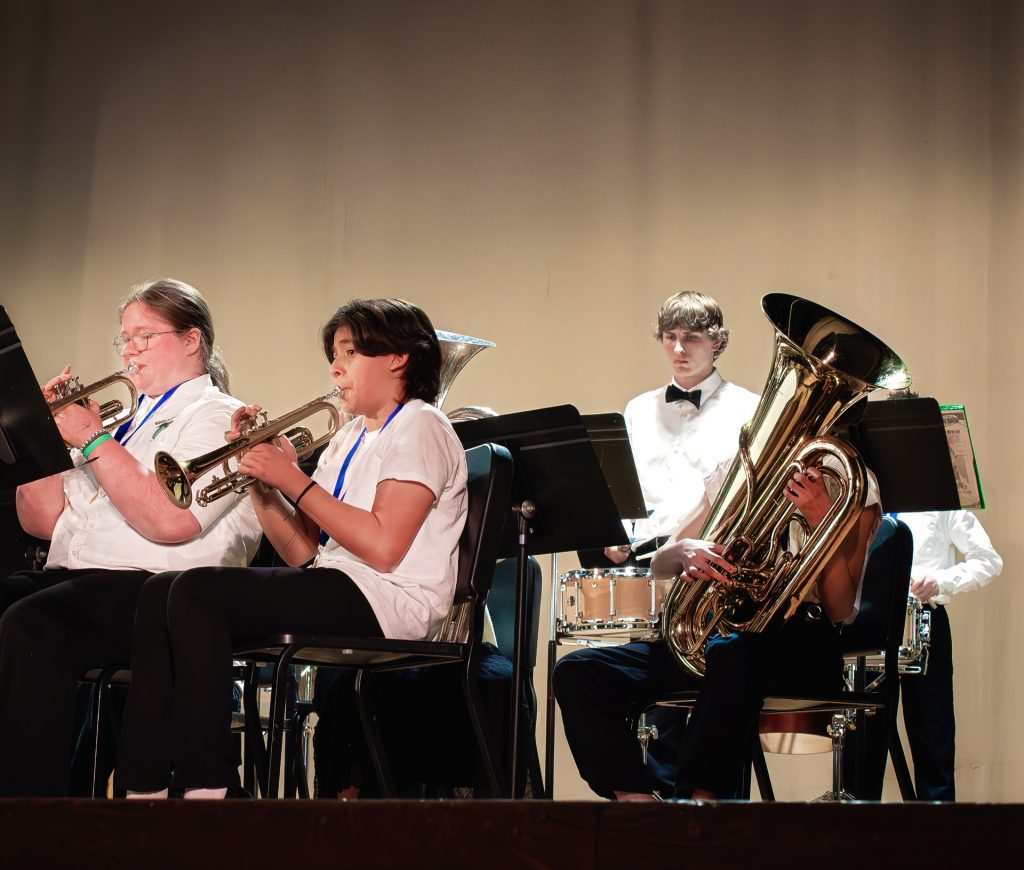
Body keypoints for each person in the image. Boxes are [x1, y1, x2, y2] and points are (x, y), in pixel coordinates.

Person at [115, 297, 468, 799]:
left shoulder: (422, 425)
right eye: (334, 353)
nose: (335, 367)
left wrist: (293, 479)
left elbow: (384, 548)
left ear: (397, 358)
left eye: (350, 352)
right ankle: (143, 786)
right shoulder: (348, 438)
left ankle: (208, 785)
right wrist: (260, 481)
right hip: (340, 583)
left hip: (391, 599)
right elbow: (303, 551)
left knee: (194, 593)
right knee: (160, 592)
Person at [0, 278, 262, 797]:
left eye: (144, 336)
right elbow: (42, 517)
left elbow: (169, 519)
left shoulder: (217, 416)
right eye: (124, 338)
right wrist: (40, 436)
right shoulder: (122, 426)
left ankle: (29, 809)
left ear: (193, 340)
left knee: (32, 627)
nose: (129, 351)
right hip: (82, 580)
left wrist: (92, 439)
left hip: (159, 595)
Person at [554, 290, 758, 799]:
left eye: (691, 337)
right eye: (670, 337)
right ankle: (645, 808)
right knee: (639, 690)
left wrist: (682, 543)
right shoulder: (639, 409)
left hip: (714, 564)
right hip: (647, 565)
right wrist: (618, 536)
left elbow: (734, 494)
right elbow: (628, 487)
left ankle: (703, 815)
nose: (679, 349)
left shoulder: (750, 408)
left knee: (704, 688)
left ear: (718, 341)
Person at [652, 459, 881, 799]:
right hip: (723, 635)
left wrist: (822, 520)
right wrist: (685, 550)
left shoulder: (850, 480)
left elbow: (839, 609)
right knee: (581, 671)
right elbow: (659, 563)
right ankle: (637, 803)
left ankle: (699, 807)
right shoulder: (743, 464)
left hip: (803, 640)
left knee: (731, 654)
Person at [881, 509, 1002, 800]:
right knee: (862, 736)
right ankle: (856, 834)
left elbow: (989, 561)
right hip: (871, 618)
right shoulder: (867, 491)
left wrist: (940, 581)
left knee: (932, 737)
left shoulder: (941, 502)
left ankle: (938, 838)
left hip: (924, 618)